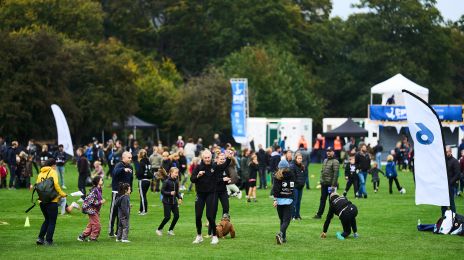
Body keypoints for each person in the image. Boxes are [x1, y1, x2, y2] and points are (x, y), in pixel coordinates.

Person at [190, 149, 232, 245]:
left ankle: (214, 236)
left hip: (211, 194)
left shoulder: (214, 166)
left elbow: (224, 166)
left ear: (211, 157)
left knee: (210, 216)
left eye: (209, 157)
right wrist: (198, 175)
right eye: (205, 158)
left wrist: (229, 158)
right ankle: (199, 236)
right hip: (200, 194)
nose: (207, 159)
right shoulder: (198, 167)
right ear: (202, 158)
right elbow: (192, 179)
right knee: (198, 216)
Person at [36, 159, 67, 246]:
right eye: (55, 165)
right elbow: (56, 184)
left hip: (42, 201)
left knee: (47, 219)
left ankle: (40, 238)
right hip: (52, 200)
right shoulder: (52, 172)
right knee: (52, 221)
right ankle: (49, 240)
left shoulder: (40, 173)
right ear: (53, 165)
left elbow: (37, 186)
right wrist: (62, 194)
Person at [109, 151, 133, 237]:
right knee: (113, 212)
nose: (130, 159)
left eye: (131, 158)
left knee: (122, 213)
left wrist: (130, 190)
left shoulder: (130, 167)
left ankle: (117, 232)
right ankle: (110, 231)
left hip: (125, 194)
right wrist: (123, 169)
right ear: (123, 158)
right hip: (116, 192)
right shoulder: (119, 165)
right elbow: (114, 173)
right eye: (129, 157)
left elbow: (131, 180)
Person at [272, 160, 295, 244]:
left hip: (279, 201)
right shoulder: (291, 174)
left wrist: (275, 200)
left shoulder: (276, 176)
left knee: (282, 219)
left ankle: (283, 237)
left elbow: (275, 189)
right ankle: (281, 234)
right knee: (286, 220)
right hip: (289, 200)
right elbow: (293, 186)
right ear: (287, 167)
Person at [314, 147, 339, 219]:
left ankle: (330, 215)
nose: (328, 152)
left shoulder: (335, 161)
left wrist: (333, 185)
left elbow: (336, 174)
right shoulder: (325, 160)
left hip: (331, 185)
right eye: (327, 151)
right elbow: (322, 171)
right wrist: (321, 181)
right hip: (324, 184)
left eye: (330, 151)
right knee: (322, 199)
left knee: (331, 200)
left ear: (333, 152)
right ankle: (319, 214)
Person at [156, 167, 183, 236]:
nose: (177, 174)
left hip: (174, 202)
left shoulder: (176, 181)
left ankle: (170, 230)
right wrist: (169, 193)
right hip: (166, 202)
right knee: (167, 217)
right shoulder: (166, 181)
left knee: (176, 216)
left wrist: (180, 198)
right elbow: (162, 191)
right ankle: (159, 229)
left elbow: (177, 192)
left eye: (177, 173)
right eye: (175, 173)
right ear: (171, 173)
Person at [78, 176, 105, 242]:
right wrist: (100, 202)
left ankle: (82, 236)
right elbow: (90, 201)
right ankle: (93, 238)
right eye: (101, 180)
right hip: (90, 209)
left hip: (94, 209)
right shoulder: (94, 190)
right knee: (96, 224)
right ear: (97, 182)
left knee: (91, 224)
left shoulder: (99, 189)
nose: (102, 181)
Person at [441, 146, 460, 216]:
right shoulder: (443, 160)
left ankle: (454, 218)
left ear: (450, 152)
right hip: (443, 185)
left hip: (451, 186)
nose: (445, 153)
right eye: (445, 152)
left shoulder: (455, 161)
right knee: (443, 204)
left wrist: (450, 183)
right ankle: (444, 218)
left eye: (447, 152)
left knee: (451, 203)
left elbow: (457, 174)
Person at [136, 149, 153, 215]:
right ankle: (141, 209)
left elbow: (140, 172)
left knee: (142, 196)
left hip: (142, 180)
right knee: (143, 195)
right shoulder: (148, 162)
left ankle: (144, 210)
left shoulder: (141, 162)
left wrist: (136, 173)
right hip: (148, 181)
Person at [291, 153, 305, 220]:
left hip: (301, 187)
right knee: (295, 201)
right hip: (295, 187)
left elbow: (304, 176)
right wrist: (297, 183)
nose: (300, 160)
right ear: (296, 159)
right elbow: (293, 177)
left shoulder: (302, 166)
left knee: (299, 202)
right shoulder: (292, 166)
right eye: (299, 158)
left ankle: (297, 215)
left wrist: (303, 183)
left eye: (301, 158)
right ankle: (292, 215)